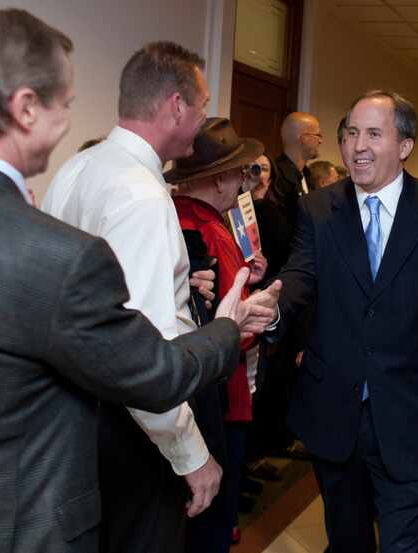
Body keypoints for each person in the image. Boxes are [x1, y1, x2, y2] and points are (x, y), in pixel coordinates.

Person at [0, 9, 274, 553]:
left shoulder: (64, 181)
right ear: (26, 108)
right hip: (19, 525)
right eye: (65, 104)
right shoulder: (54, 252)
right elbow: (152, 371)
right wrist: (227, 326)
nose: (68, 121)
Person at [42, 41, 279, 553]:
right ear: (176, 106)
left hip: (77, 424)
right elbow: (144, 356)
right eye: (202, 103)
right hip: (131, 434)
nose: (202, 118)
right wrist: (192, 455)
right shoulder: (143, 198)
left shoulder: (77, 170)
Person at [276, 90, 418, 553]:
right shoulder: (319, 209)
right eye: (350, 134)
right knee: (347, 541)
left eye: (373, 134)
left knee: (407, 545)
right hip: (336, 415)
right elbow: (299, 278)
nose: (358, 145)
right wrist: (270, 306)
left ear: (404, 146)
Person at [165, 117, 271, 551]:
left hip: (177, 396)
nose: (243, 183)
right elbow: (235, 329)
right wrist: (261, 312)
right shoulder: (209, 228)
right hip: (216, 397)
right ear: (221, 176)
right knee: (209, 526)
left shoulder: (171, 214)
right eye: (241, 172)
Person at [267, 111, 322, 232]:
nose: (320, 141)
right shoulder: (275, 177)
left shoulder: (307, 175)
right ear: (304, 139)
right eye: (318, 135)